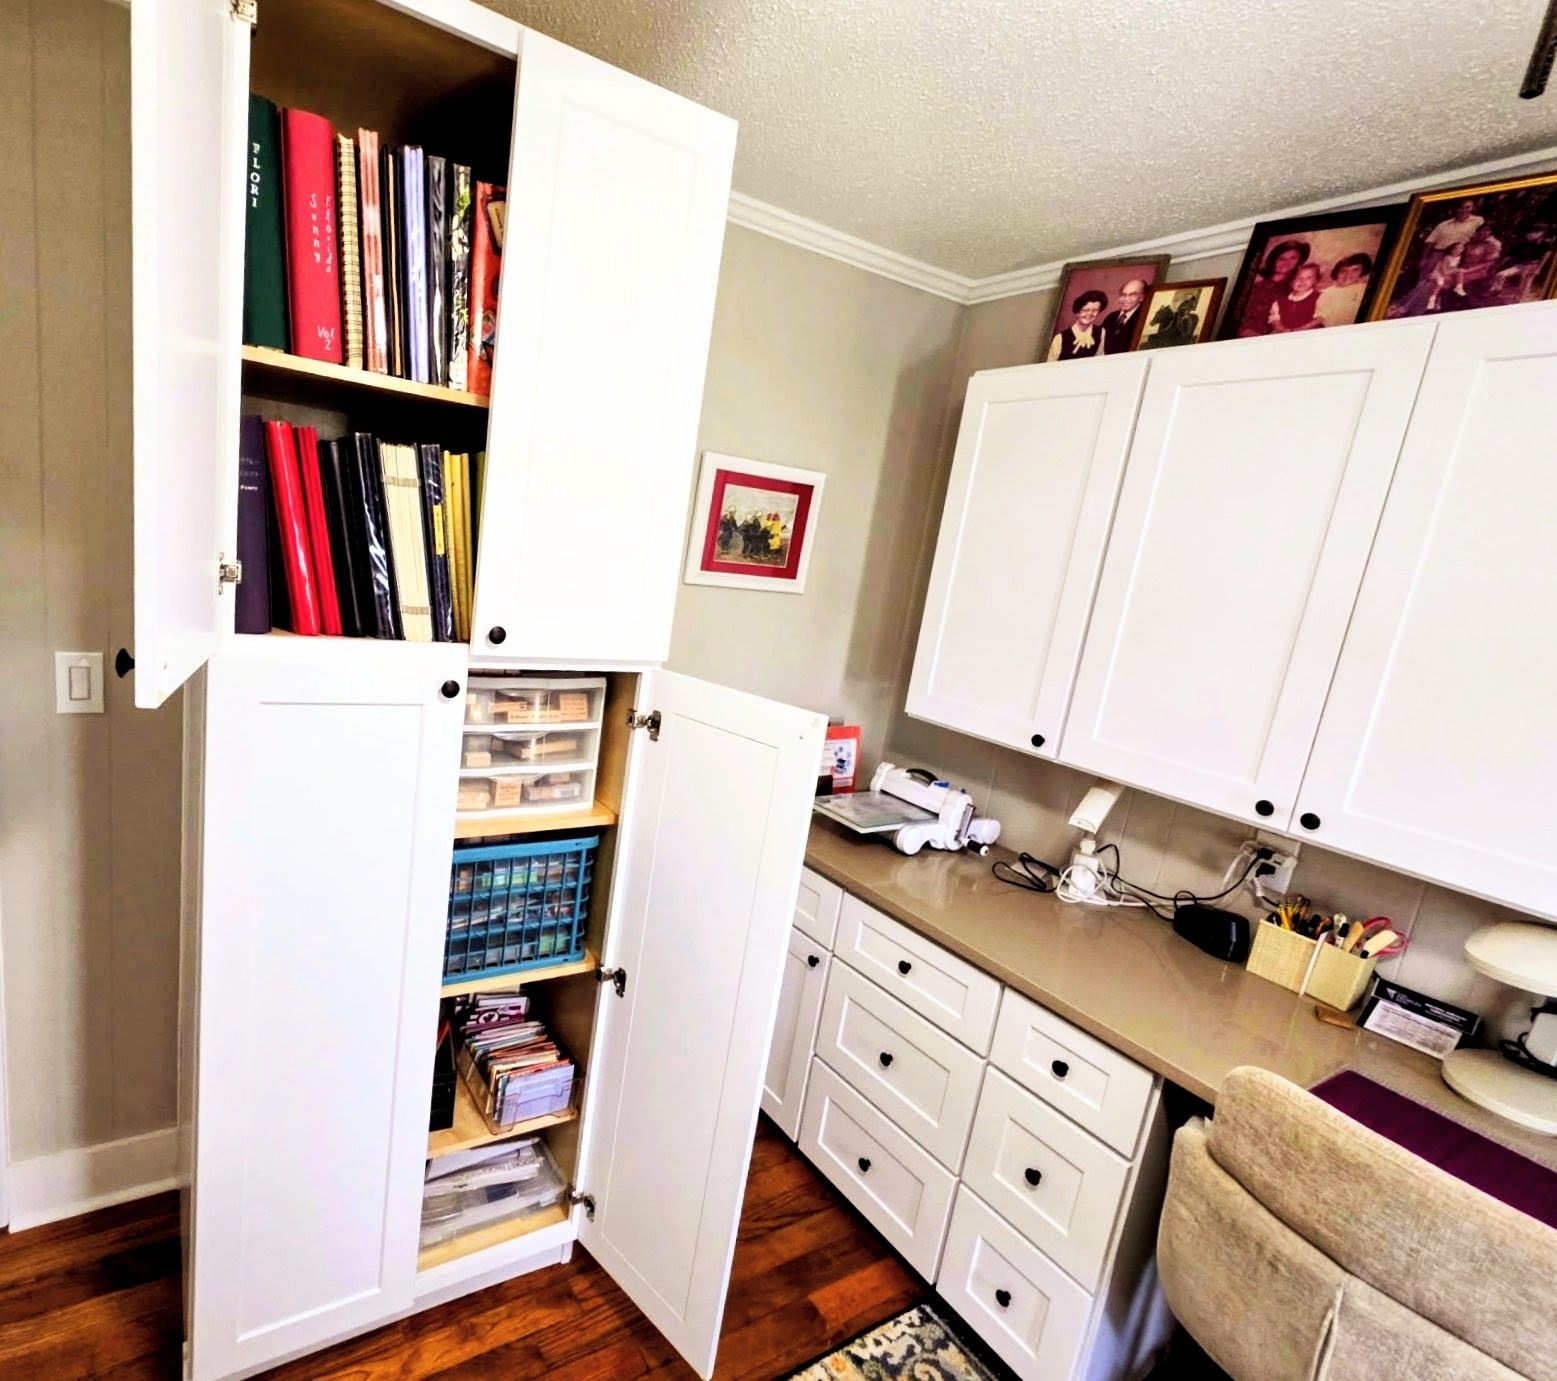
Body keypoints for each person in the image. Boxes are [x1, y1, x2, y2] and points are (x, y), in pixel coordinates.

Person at [1238, 240, 1309, 336]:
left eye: (1293, 258)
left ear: (1299, 261)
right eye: (1281, 259)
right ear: (1273, 261)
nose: (1287, 263)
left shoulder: (1297, 289)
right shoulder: (1256, 285)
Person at [1046, 289, 1108, 361]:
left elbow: (1100, 359)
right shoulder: (1059, 338)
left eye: (1095, 310)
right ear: (1077, 312)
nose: (1090, 314)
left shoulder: (1101, 332)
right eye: (1085, 310)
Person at [1315, 252, 1373, 327]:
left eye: (1355, 270)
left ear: (1362, 272)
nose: (1348, 274)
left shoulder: (1364, 288)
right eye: (1343, 271)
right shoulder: (1326, 293)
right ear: (1336, 273)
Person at [1268, 262, 1325, 331]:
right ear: (1291, 282)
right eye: (1298, 277)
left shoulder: (1319, 298)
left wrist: (1300, 329)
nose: (1302, 280)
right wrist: (1281, 329)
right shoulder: (1279, 302)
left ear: (1316, 281)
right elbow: (1274, 319)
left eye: (1309, 277)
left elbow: (1320, 317)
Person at [1098, 279, 1148, 355]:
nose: (1126, 299)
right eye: (1123, 295)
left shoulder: (1144, 319)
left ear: (1142, 297)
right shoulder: (1111, 317)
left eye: (1132, 295)